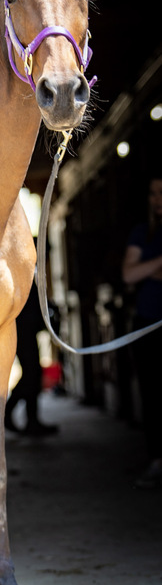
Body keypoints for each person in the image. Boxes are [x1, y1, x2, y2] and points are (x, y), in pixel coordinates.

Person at [122, 176, 162, 488]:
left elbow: (139, 270)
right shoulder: (142, 232)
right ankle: (156, 461)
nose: (157, 199)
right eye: (153, 194)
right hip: (148, 326)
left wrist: (148, 269)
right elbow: (129, 274)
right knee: (152, 398)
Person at [5, 278, 59, 437]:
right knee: (31, 374)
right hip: (22, 328)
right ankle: (8, 413)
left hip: (27, 326)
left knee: (33, 374)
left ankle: (31, 420)